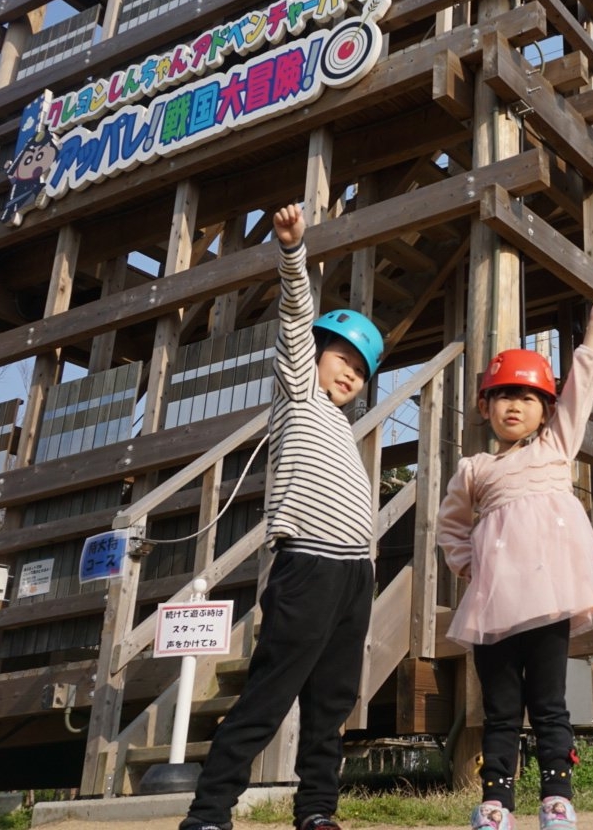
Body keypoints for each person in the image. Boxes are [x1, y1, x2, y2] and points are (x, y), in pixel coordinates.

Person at [182, 203, 382, 830]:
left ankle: (317, 810)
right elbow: (296, 317)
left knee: (332, 702)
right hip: (308, 568)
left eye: (361, 370)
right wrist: (293, 252)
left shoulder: (342, 427)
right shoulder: (298, 392)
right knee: (271, 693)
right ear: (314, 355)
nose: (350, 373)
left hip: (355, 574)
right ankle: (209, 813)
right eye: (342, 358)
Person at [437, 300, 593, 830]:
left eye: (527, 397)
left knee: (548, 703)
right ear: (485, 407)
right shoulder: (474, 469)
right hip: (493, 606)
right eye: (502, 397)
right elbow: (450, 526)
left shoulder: (557, 447)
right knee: (499, 707)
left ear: (546, 410)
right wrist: (468, 567)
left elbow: (581, 389)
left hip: (547, 600)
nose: (513, 406)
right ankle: (496, 803)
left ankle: (557, 799)